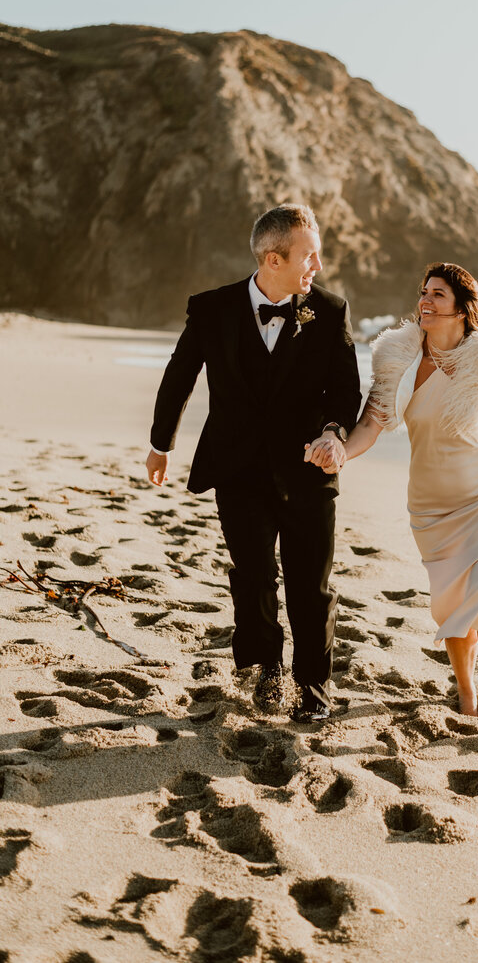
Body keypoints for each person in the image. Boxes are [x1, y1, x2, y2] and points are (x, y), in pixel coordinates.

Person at [307, 262, 478, 732]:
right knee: (451, 603)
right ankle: (466, 687)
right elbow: (369, 426)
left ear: (463, 307)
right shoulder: (397, 359)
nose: (426, 301)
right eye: (423, 292)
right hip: (431, 507)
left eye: (438, 294)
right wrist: (340, 452)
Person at [146, 204, 361, 723]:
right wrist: (161, 443)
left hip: (308, 470)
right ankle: (266, 669)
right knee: (254, 576)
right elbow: (180, 375)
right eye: (309, 256)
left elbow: (346, 389)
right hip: (236, 468)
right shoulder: (212, 309)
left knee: (311, 582)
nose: (318, 266)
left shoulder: (329, 311)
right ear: (272, 258)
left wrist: (334, 433)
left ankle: (313, 685)